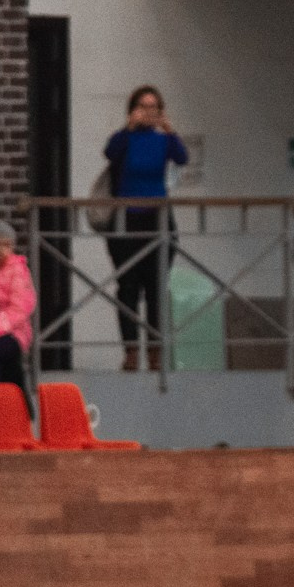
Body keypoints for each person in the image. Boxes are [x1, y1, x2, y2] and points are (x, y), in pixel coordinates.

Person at [103, 84, 189, 372]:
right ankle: (130, 351)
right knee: (127, 287)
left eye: (154, 107)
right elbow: (110, 152)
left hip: (157, 217)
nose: (148, 112)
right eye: (143, 106)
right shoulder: (125, 139)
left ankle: (154, 351)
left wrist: (170, 129)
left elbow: (182, 157)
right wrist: (128, 127)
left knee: (155, 288)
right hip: (127, 217)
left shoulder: (162, 140)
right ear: (133, 109)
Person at [0, 220, 34, 417]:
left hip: (14, 332)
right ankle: (18, 412)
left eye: (7, 245)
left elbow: (20, 308)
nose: (3, 250)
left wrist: (0, 326)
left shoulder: (18, 270)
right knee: (12, 372)